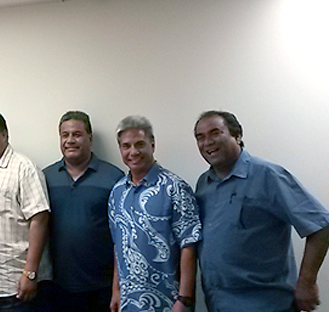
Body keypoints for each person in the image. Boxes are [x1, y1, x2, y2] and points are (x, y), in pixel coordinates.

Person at [194, 110, 329, 312]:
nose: (207, 142)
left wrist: (306, 283)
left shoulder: (268, 175)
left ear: (237, 136)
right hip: (218, 303)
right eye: (200, 137)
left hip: (267, 304)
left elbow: (321, 226)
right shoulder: (204, 184)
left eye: (215, 133)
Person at [108, 115, 201, 312]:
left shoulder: (175, 188)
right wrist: (116, 291)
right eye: (126, 146)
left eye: (139, 144)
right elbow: (119, 244)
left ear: (152, 144)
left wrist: (185, 299)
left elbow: (189, 245)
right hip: (128, 303)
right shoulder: (117, 192)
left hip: (169, 303)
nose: (133, 152)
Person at [0, 109, 51, 312]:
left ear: (4, 135)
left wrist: (30, 274)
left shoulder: (24, 168)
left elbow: (39, 220)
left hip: (14, 287)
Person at [43, 111, 124, 312]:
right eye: (65, 135)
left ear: (90, 138)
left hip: (102, 288)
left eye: (77, 134)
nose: (70, 140)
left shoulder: (114, 177)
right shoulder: (45, 177)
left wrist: (118, 288)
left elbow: (123, 238)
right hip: (58, 287)